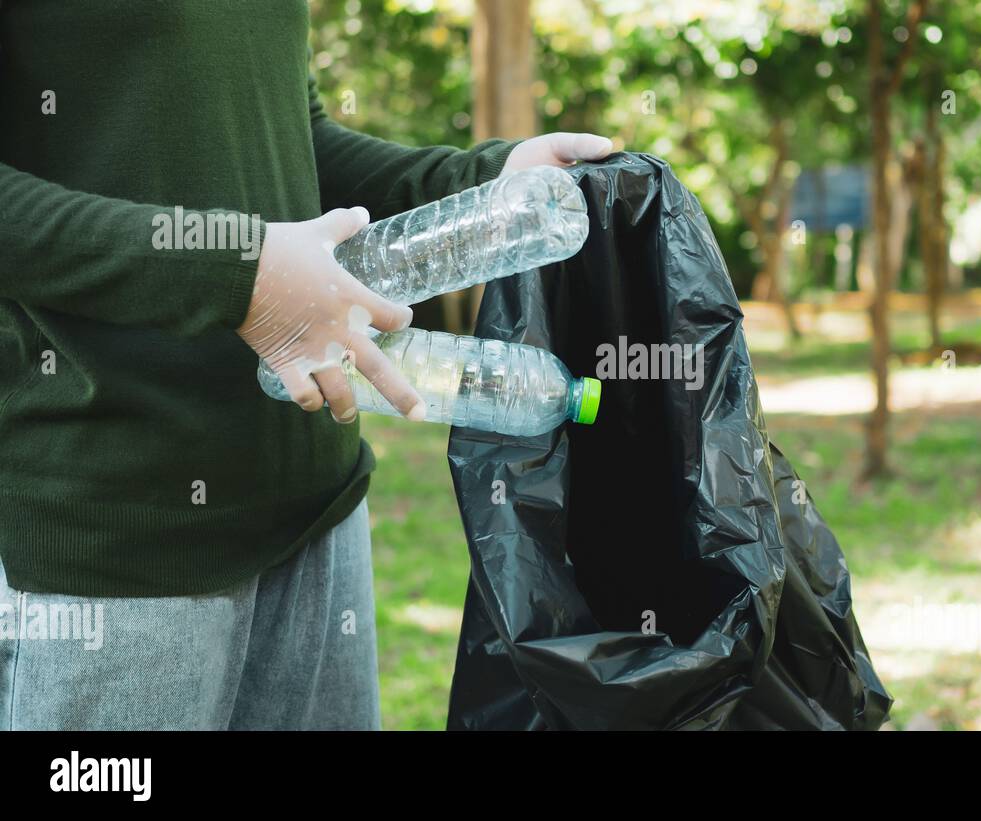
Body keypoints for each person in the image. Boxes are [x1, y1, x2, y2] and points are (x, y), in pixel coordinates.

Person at [0, 0, 612, 730]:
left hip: (317, 510)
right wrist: (235, 272)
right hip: (123, 540)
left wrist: (490, 182)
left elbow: (294, 141)